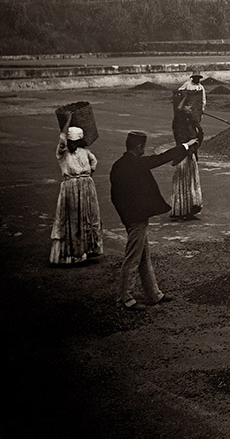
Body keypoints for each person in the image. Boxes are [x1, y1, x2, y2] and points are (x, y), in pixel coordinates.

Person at [110, 130, 191, 310]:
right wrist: (185, 146)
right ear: (139, 147)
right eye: (143, 147)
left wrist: (125, 216)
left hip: (129, 217)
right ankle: (125, 298)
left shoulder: (118, 165)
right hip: (137, 219)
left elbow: (115, 195)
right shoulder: (137, 164)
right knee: (133, 258)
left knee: (143, 256)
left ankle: (153, 294)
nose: (144, 151)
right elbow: (162, 158)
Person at [50, 123, 103, 265]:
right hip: (70, 188)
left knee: (88, 217)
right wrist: (65, 124)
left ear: (79, 142)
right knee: (71, 219)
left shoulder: (84, 152)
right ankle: (70, 254)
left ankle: (87, 250)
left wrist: (90, 172)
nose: (72, 144)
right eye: (70, 142)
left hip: (86, 187)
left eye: (75, 142)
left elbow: (94, 160)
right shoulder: (62, 153)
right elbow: (61, 142)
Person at [170, 90, 204, 220]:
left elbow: (200, 134)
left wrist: (196, 144)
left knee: (191, 184)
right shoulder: (178, 123)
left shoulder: (192, 122)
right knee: (183, 184)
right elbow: (178, 111)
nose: (190, 108)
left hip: (191, 155)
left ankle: (190, 210)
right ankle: (180, 212)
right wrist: (183, 98)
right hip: (182, 156)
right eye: (188, 106)